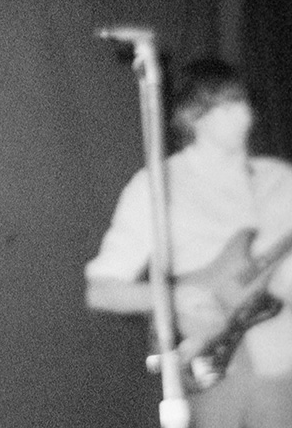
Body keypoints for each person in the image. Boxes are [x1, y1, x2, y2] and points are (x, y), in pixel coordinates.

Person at [85, 57, 292, 428]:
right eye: (227, 106)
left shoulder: (280, 181)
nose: (244, 114)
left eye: (243, 102)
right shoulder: (157, 185)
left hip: (282, 364)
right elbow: (100, 292)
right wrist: (174, 296)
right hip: (211, 367)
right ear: (191, 118)